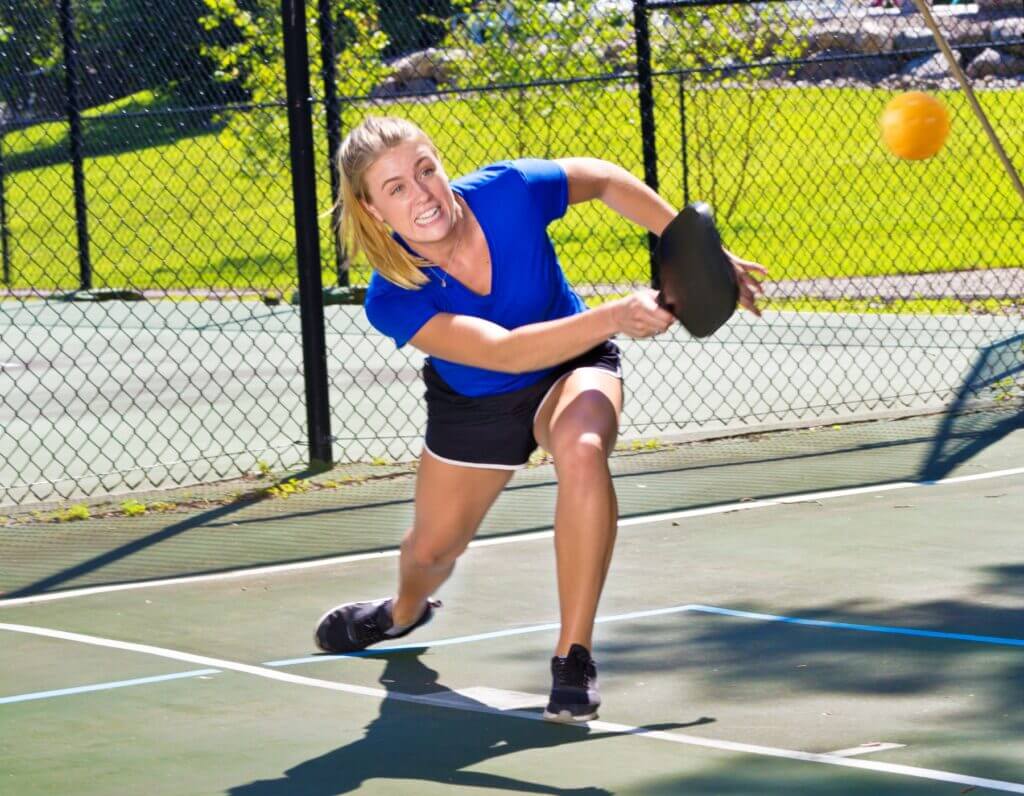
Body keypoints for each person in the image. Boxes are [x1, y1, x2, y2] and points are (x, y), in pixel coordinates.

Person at [314, 115, 765, 722]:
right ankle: (401, 612)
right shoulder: (391, 297)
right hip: (478, 402)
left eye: (426, 169)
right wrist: (612, 316)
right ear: (371, 209)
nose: (421, 194)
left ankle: (573, 656)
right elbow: (503, 352)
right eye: (396, 188)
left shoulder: (508, 192)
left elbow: (603, 179)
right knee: (430, 551)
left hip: (572, 364)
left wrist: (699, 250)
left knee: (581, 449)